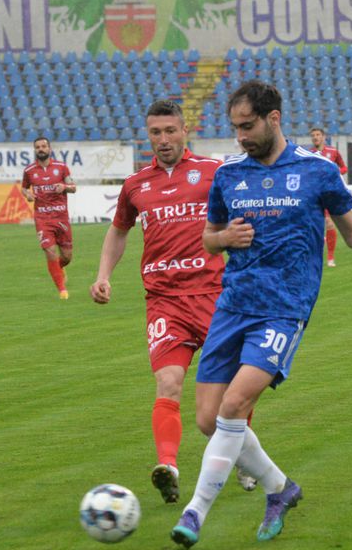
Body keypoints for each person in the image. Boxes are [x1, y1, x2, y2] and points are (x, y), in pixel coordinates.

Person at [170, 80, 352, 549]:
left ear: (274, 118)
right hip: (233, 305)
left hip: (284, 309)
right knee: (210, 421)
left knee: (235, 407)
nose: (240, 137)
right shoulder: (229, 176)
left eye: (248, 126)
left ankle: (195, 513)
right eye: (235, 127)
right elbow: (208, 237)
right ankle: (280, 489)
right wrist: (223, 240)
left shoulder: (317, 171)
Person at [90, 100, 256, 503]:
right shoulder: (136, 185)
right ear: (147, 135)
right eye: (155, 133)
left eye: (170, 131)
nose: (163, 140)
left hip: (216, 297)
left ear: (185, 130)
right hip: (164, 300)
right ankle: (168, 465)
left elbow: (248, 217)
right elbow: (119, 231)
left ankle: (247, 460)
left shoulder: (215, 173)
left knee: (232, 394)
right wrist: (103, 276)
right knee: (168, 382)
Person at [21, 137, 76, 299]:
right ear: (35, 150)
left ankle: (58, 268)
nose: (41, 149)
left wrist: (64, 187)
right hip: (42, 218)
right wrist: (28, 194)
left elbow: (74, 188)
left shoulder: (61, 168)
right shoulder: (29, 171)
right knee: (50, 252)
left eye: (44, 146)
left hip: (61, 218)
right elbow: (24, 188)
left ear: (49, 149)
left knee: (67, 257)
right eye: (37, 147)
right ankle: (62, 290)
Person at [308, 126, 348, 267]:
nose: (315, 137)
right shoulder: (308, 154)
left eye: (318, 135)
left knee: (330, 223)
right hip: (314, 194)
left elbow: (344, 168)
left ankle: (330, 257)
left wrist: (335, 173)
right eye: (313, 135)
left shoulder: (333, 152)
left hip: (330, 193)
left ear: (324, 137)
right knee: (314, 225)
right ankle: (317, 249)